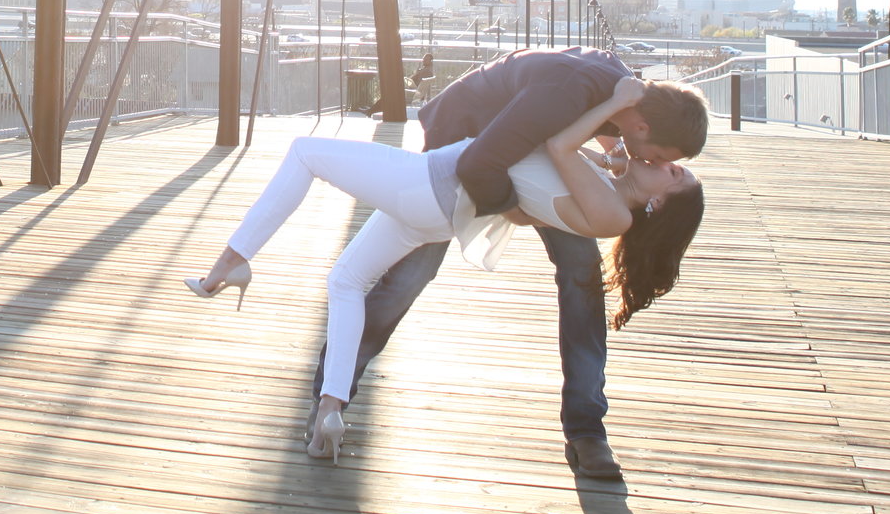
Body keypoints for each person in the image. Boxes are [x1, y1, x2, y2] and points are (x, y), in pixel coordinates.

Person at [184, 72, 703, 463]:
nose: (663, 163)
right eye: (669, 159)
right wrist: (620, 153)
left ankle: (230, 263)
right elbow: (543, 191)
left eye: (673, 172)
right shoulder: (608, 192)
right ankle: (330, 410)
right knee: (347, 280)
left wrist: (615, 103)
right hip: (440, 214)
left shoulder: (613, 214)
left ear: (659, 206)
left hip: (428, 183)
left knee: (304, 152)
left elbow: (558, 143)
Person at [336, 46, 707, 479]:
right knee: (411, 274)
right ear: (641, 127)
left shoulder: (629, 98)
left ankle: (586, 429)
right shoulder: (569, 93)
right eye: (661, 157)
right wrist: (513, 209)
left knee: (581, 278)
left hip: (531, 157)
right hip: (467, 142)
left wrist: (611, 155)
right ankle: (333, 392)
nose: (652, 163)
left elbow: (591, 137)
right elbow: (481, 165)